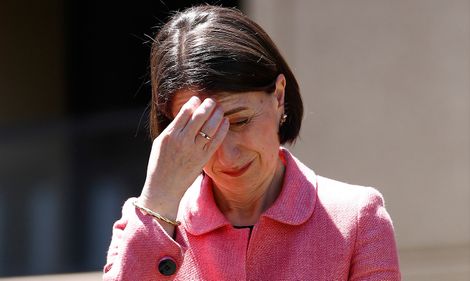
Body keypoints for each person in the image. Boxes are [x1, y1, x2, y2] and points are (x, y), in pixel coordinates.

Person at [103, 5, 400, 281]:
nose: (227, 155)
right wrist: (159, 200)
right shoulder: (147, 225)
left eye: (240, 121)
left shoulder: (358, 218)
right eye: (202, 132)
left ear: (279, 96)